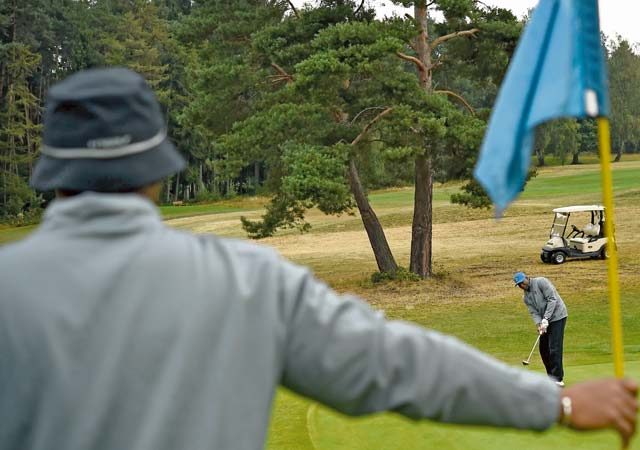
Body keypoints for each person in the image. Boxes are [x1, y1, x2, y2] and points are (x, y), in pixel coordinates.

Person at [0, 68, 636, 450]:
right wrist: (557, 404)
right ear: (158, 175)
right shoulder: (246, 283)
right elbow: (400, 366)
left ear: (54, 173)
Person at [514, 271, 568, 387]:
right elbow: (533, 312)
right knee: (543, 349)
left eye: (522, 282)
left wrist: (546, 318)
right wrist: (539, 324)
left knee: (554, 347)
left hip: (558, 316)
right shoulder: (526, 297)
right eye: (519, 285)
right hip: (544, 321)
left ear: (527, 278)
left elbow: (552, 299)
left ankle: (558, 378)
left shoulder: (541, 282)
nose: (522, 286)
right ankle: (551, 377)